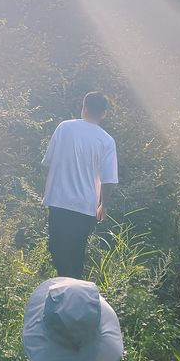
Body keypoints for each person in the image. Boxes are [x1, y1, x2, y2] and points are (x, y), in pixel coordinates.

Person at [42, 92, 118, 280]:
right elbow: (109, 179)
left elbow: (48, 162)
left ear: (83, 108)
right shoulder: (106, 140)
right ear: (103, 113)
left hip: (59, 200)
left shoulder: (65, 128)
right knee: (75, 254)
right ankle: (74, 297)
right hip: (85, 206)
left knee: (57, 249)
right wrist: (104, 205)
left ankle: (63, 294)